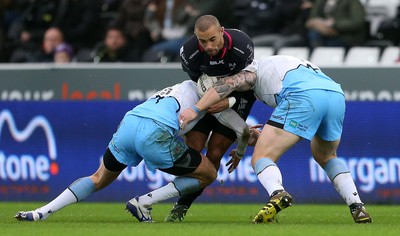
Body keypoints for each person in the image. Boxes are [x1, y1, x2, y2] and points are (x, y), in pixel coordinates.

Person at [178, 55, 373, 224]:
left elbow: (233, 84)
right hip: (335, 94)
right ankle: (357, 205)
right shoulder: (281, 61)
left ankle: (277, 193)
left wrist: (199, 107)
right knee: (327, 156)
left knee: (261, 157)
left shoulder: (250, 70)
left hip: (302, 94)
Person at [14, 80, 223, 222]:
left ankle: (40, 212)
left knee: (97, 178)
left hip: (130, 122)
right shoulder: (205, 98)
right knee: (208, 173)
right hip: (154, 132)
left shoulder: (179, 87)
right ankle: (144, 202)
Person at [164, 14, 256, 222]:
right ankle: (174, 198)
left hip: (238, 98)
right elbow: (199, 84)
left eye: (212, 39)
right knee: (194, 150)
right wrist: (207, 103)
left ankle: (182, 206)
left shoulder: (242, 46)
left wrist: (229, 102)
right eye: (202, 41)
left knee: (214, 154)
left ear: (222, 31)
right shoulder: (190, 53)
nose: (208, 46)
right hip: (205, 99)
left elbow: (250, 82)